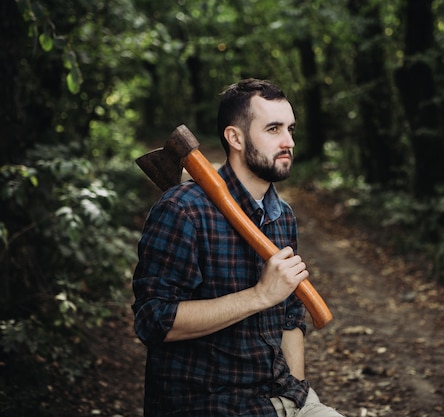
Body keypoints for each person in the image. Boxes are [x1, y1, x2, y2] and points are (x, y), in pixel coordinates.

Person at [132, 78, 344, 417]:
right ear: (235, 137)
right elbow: (153, 321)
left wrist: (300, 398)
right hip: (209, 404)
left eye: (290, 129)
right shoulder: (182, 209)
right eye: (273, 129)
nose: (288, 141)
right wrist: (259, 295)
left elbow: (290, 321)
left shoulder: (283, 216)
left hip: (282, 398)